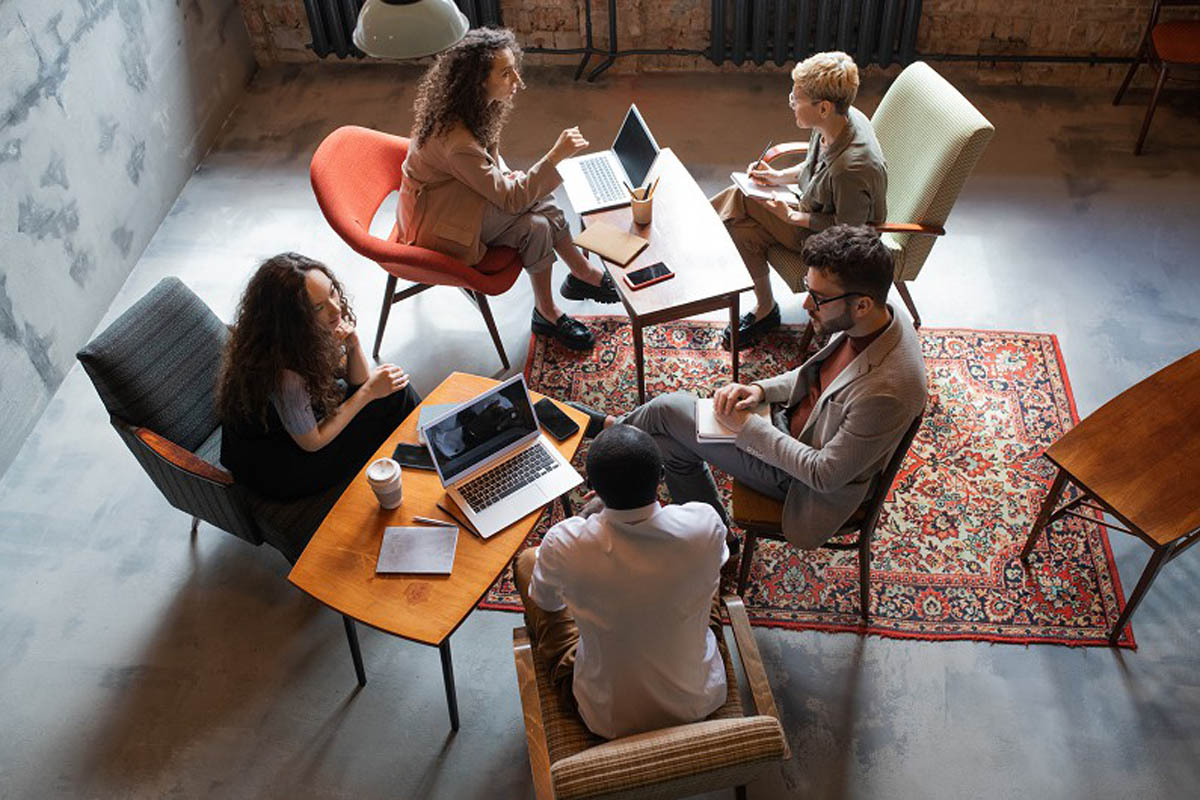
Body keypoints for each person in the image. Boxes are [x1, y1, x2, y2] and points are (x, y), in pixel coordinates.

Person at [577, 226, 925, 550]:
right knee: (669, 445)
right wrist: (759, 390)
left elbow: (824, 475)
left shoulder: (888, 391)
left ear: (861, 304)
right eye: (808, 289)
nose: (806, 305)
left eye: (817, 298)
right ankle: (716, 541)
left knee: (667, 409)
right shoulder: (876, 314)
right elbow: (815, 373)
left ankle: (613, 437)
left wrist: (748, 428)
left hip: (799, 481)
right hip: (786, 426)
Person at [399, 27, 619, 351]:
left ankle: (576, 280)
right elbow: (512, 200)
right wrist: (555, 156)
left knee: (540, 200)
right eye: (505, 73)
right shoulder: (457, 141)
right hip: (438, 222)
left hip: (456, 195)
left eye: (515, 67)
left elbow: (489, 162)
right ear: (479, 81)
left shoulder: (475, 108)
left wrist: (503, 174)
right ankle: (556, 302)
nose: (517, 79)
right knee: (535, 224)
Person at [514, 424, 729, 739]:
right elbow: (718, 561)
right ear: (661, 477)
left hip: (608, 717)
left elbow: (548, 603)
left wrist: (590, 519)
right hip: (701, 698)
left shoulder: (563, 542)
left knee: (527, 563)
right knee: (706, 567)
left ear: (592, 487)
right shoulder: (704, 524)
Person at [710, 51, 888, 351]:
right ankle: (766, 309)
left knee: (742, 198)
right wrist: (777, 178)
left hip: (831, 244)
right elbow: (814, 168)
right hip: (809, 208)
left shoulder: (852, 168)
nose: (791, 103)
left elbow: (849, 233)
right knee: (740, 228)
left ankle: (698, 223)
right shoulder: (839, 122)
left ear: (823, 108)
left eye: (796, 98)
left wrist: (794, 218)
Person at [218, 252, 420, 505]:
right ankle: (421, 462)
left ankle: (420, 456)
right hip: (282, 464)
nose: (335, 309)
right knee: (390, 396)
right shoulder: (284, 374)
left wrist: (353, 345)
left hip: (300, 425)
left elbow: (357, 380)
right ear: (291, 318)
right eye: (318, 307)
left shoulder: (305, 332)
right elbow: (312, 443)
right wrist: (368, 393)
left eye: (333, 292)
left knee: (393, 390)